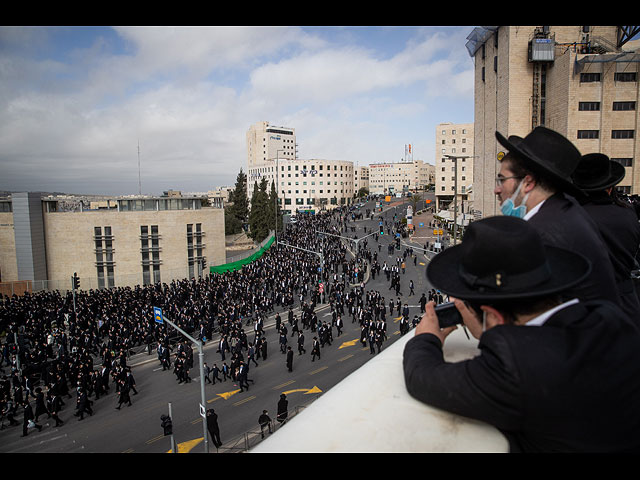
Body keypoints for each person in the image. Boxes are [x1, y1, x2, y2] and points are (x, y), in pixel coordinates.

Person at [403, 215, 640, 452]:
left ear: (493, 317)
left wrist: (426, 337)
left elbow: (423, 377)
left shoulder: (514, 364)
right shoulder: (609, 316)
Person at [494, 126, 619, 307]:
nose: (496, 189)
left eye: (502, 180)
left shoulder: (542, 233)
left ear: (527, 182)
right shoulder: (565, 210)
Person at [571, 153, 640, 321]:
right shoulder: (627, 213)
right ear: (610, 187)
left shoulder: (573, 216)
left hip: (588, 305)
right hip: (626, 303)